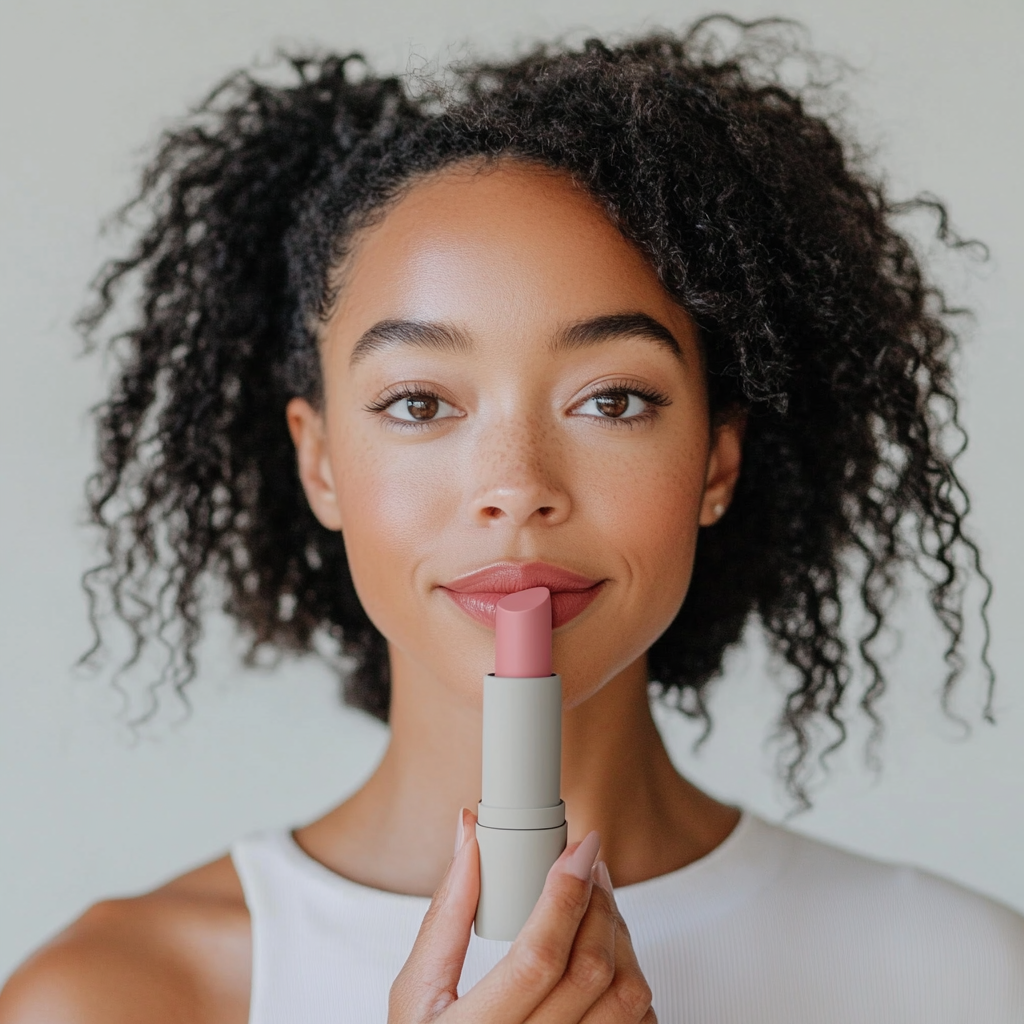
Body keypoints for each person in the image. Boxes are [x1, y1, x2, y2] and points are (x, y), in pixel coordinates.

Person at [1, 16, 1022, 1024]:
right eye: (419, 403)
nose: (516, 485)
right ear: (319, 461)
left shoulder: (965, 976)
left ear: (718, 459)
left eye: (612, 399)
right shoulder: (118, 996)